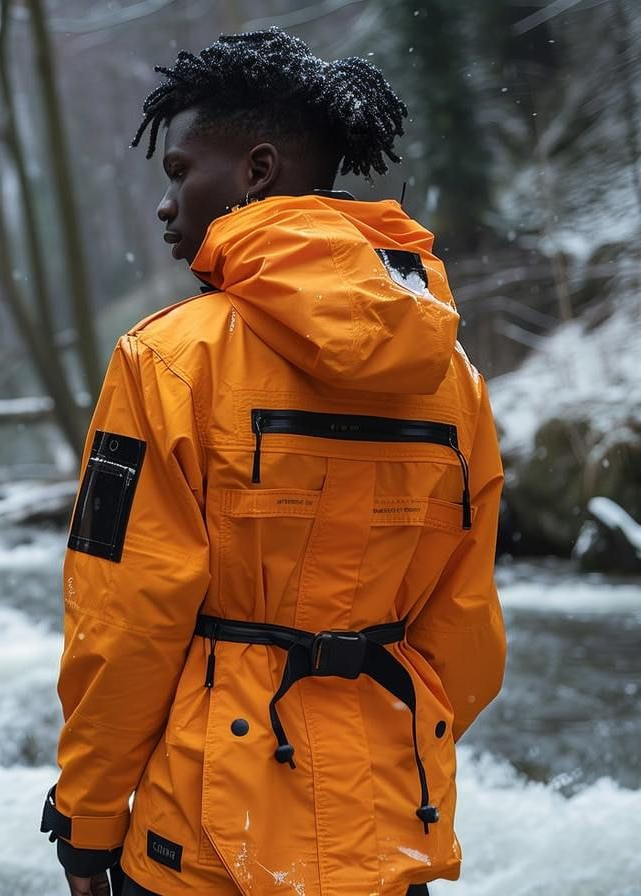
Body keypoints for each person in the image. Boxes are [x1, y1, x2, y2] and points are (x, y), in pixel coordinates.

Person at [40, 28, 506, 896]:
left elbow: (127, 618)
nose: (165, 203)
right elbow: (466, 630)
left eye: (180, 172)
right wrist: (372, 756)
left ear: (256, 172)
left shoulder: (166, 359)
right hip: (388, 837)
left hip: (203, 842)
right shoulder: (455, 378)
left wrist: (89, 820)